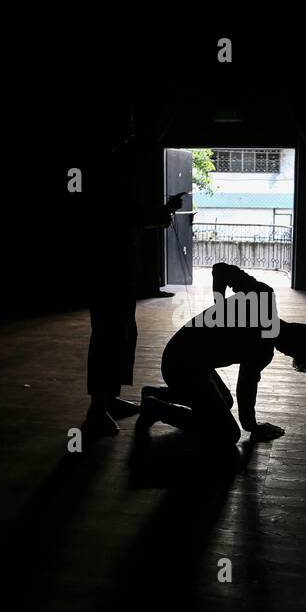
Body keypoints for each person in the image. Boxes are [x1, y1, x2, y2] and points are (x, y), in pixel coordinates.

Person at [137, 262, 306, 446]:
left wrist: (219, 306)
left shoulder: (264, 297)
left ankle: (158, 395)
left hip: (183, 357)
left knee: (226, 401)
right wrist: (252, 427)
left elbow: (220, 270)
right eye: (292, 354)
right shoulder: (262, 348)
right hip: (181, 366)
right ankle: (155, 408)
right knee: (227, 432)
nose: (286, 354)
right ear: (292, 348)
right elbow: (246, 389)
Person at [83, 102, 187, 437]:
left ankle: (109, 400)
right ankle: (97, 410)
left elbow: (131, 214)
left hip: (116, 262)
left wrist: (161, 212)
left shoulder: (118, 161)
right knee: (110, 334)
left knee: (122, 331)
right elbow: (129, 215)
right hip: (108, 263)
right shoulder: (114, 165)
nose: (132, 130)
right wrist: (163, 213)